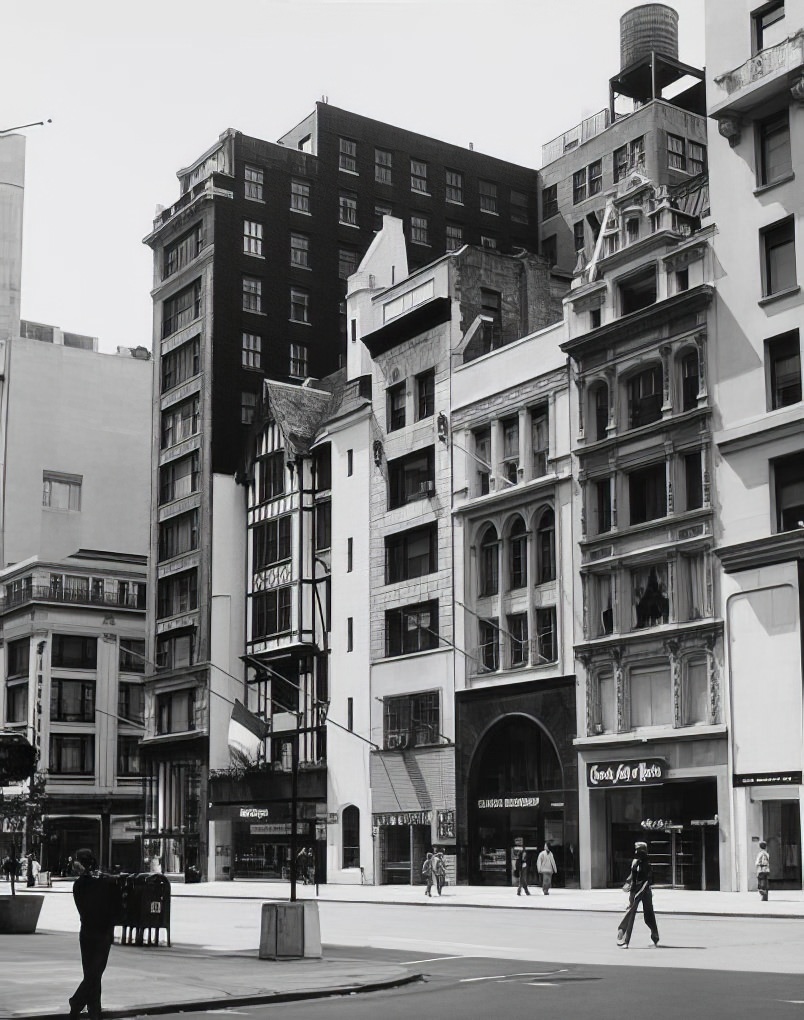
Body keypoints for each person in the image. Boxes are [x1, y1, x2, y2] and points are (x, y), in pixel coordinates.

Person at [68, 848, 119, 1020]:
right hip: (101, 932)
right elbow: (114, 907)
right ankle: (84, 1006)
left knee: (92, 973)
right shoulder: (104, 882)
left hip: (89, 932)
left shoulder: (81, 884)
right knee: (94, 973)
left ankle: (89, 1009)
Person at [617, 841, 659, 948]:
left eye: (639, 850)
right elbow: (633, 879)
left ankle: (655, 936)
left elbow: (650, 879)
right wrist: (632, 894)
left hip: (645, 890)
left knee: (649, 914)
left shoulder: (647, 863)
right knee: (631, 914)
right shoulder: (635, 863)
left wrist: (645, 886)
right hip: (637, 891)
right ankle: (625, 939)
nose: (637, 852)